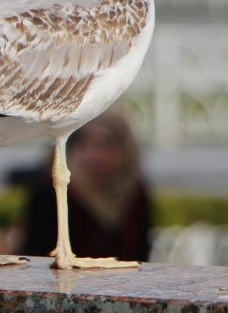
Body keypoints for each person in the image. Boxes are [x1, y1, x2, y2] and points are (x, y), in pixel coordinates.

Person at [15, 108, 152, 262]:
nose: (96, 156)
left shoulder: (134, 193)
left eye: (106, 145)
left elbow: (140, 255)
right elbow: (35, 255)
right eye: (88, 144)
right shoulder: (53, 190)